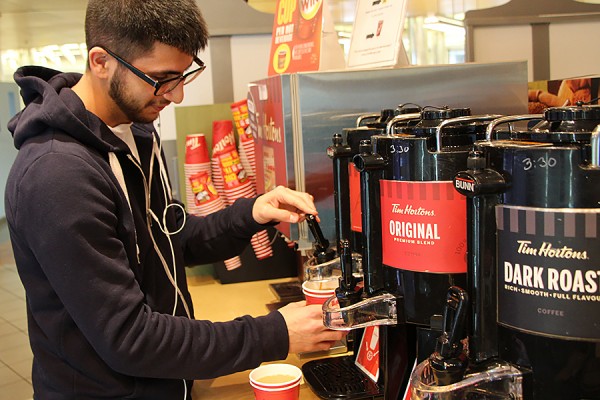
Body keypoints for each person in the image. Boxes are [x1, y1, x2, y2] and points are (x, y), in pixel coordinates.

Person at [4, 0, 344, 399]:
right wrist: (274, 333)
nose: (177, 95)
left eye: (184, 76)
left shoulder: (133, 133)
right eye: (162, 78)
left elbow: (168, 241)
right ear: (100, 61)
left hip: (166, 382)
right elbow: (129, 338)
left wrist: (251, 213)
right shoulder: (57, 176)